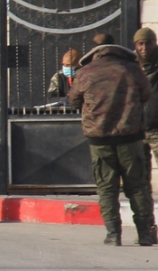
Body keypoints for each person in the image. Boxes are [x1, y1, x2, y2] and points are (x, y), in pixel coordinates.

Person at [68, 42, 155, 246]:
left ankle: (113, 234)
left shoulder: (85, 72)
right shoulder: (132, 69)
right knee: (138, 185)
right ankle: (144, 233)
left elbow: (73, 100)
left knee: (106, 186)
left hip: (99, 139)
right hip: (130, 137)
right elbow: (146, 95)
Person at [132, 27, 158, 244]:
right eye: (140, 44)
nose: (144, 48)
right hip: (138, 130)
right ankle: (147, 230)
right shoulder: (130, 66)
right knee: (141, 182)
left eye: (148, 43)